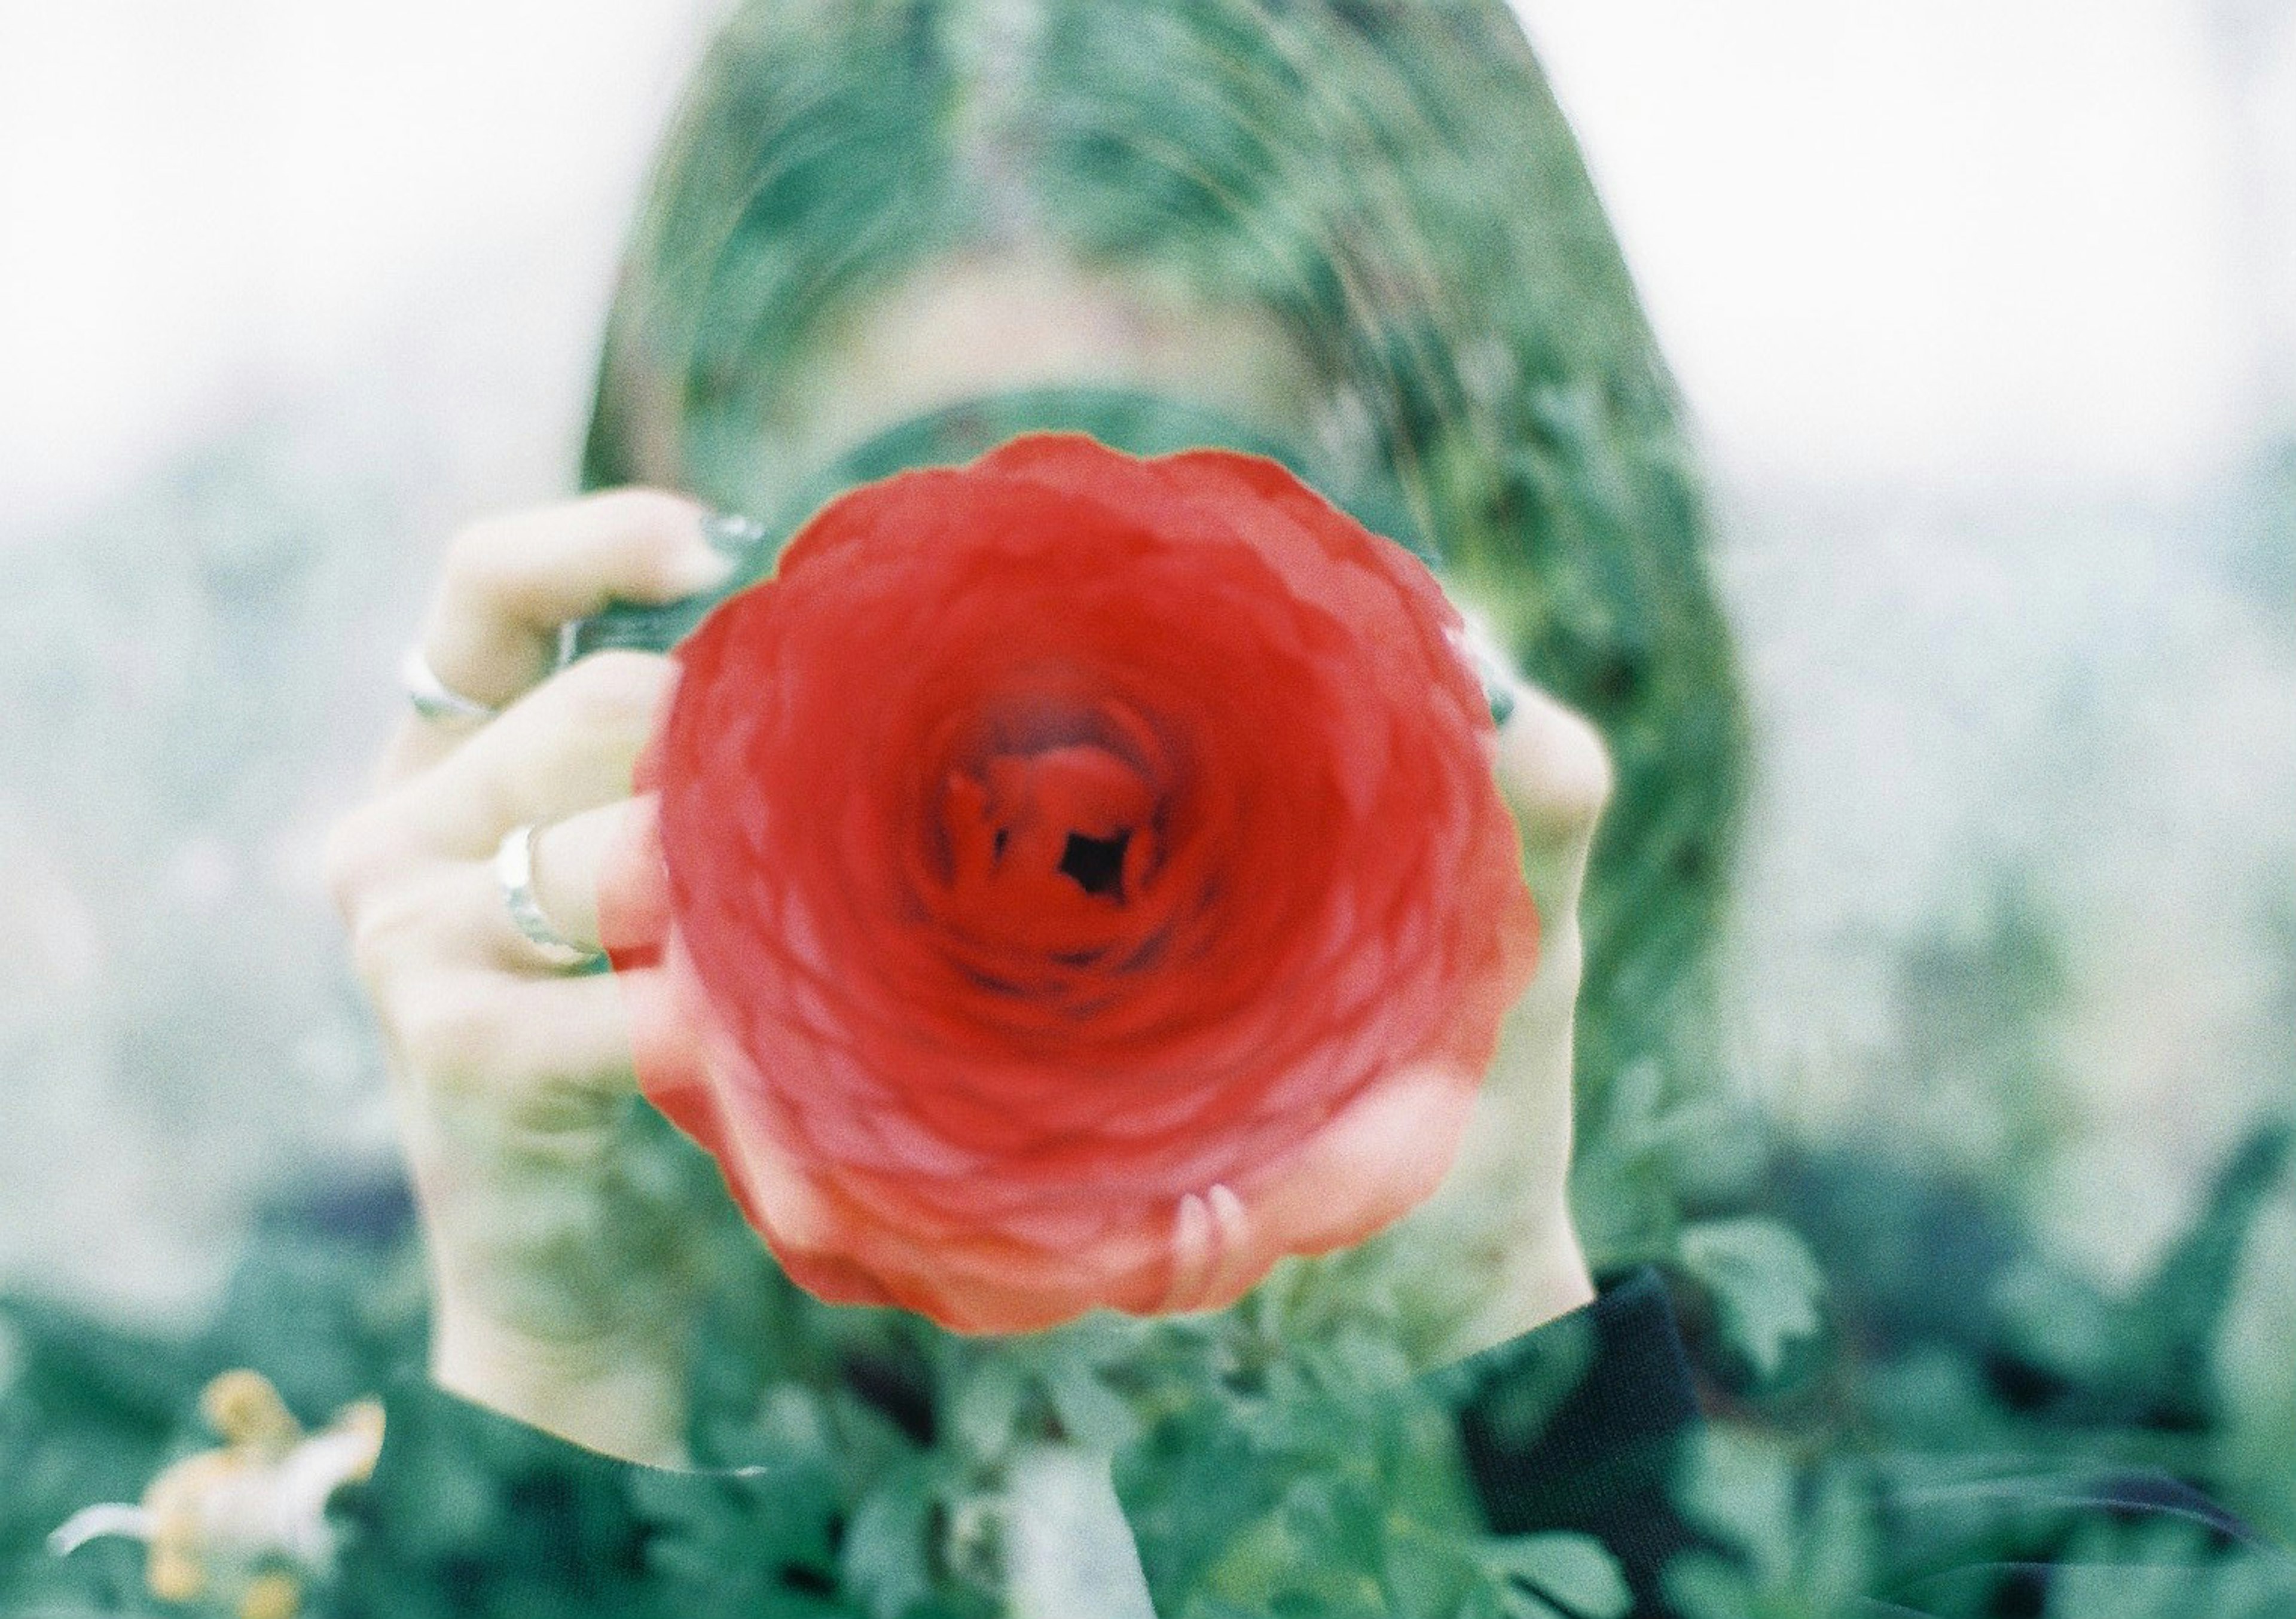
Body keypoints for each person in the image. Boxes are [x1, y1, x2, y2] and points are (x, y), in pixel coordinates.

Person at [299, 2, 2291, 1617]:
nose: (1063, 772)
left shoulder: (1986, 1463)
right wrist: (560, 1388)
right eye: (893, 595)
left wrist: (1501, 1370)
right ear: (653, 673)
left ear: (1530, 634)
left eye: (1232, 589)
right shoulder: (267, 1455)